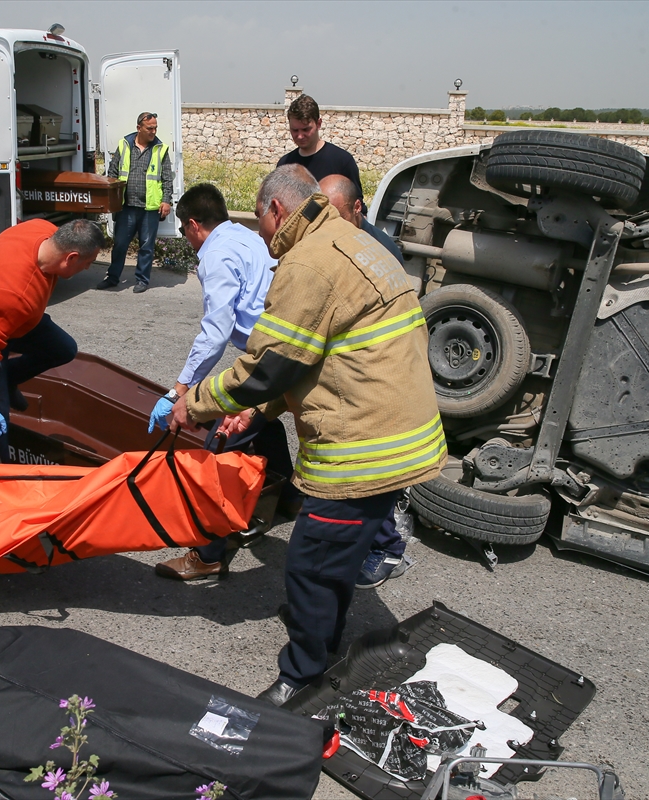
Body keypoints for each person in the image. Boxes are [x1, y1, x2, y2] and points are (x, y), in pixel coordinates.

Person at [168, 166, 446, 706]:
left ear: (277, 211)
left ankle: (301, 677)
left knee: (311, 561)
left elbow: (268, 365)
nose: (264, 240)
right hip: (404, 432)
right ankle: (323, 629)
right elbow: (311, 355)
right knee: (337, 557)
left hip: (363, 446)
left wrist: (195, 405)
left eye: (263, 225)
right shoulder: (350, 240)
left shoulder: (307, 265)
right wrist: (256, 414)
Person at [146, 183, 299, 580]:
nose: (186, 238)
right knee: (264, 425)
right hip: (282, 349)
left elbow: (216, 332)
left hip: (273, 356)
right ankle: (288, 499)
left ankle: (208, 553)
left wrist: (180, 389)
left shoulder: (215, 253)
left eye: (183, 230)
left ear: (194, 225)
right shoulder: (247, 236)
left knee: (220, 441)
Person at [320, 174, 419, 588]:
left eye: (337, 216)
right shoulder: (335, 244)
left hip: (377, 379)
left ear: (357, 209)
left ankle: (388, 548)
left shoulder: (381, 251)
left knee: (368, 472)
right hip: (353, 375)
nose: (329, 227)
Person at [0, 219, 104, 463]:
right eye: (88, 263)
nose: (87, 269)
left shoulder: (42, 229)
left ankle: (8, 377)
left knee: (63, 348)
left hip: (12, 320)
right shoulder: (16, 294)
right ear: (71, 257)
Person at [96, 111, 175, 294]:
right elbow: (113, 172)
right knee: (120, 244)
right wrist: (111, 198)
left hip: (149, 207)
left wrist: (166, 201)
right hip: (126, 206)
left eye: (155, 128)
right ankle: (113, 277)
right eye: (150, 128)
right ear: (139, 128)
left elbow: (166, 179)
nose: (153, 131)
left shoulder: (160, 149)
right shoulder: (124, 145)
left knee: (146, 246)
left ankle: (142, 280)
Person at [277, 95, 364, 203]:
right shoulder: (284, 164)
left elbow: (358, 209)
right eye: (295, 130)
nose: (300, 136)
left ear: (318, 124)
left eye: (306, 129)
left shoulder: (342, 161)